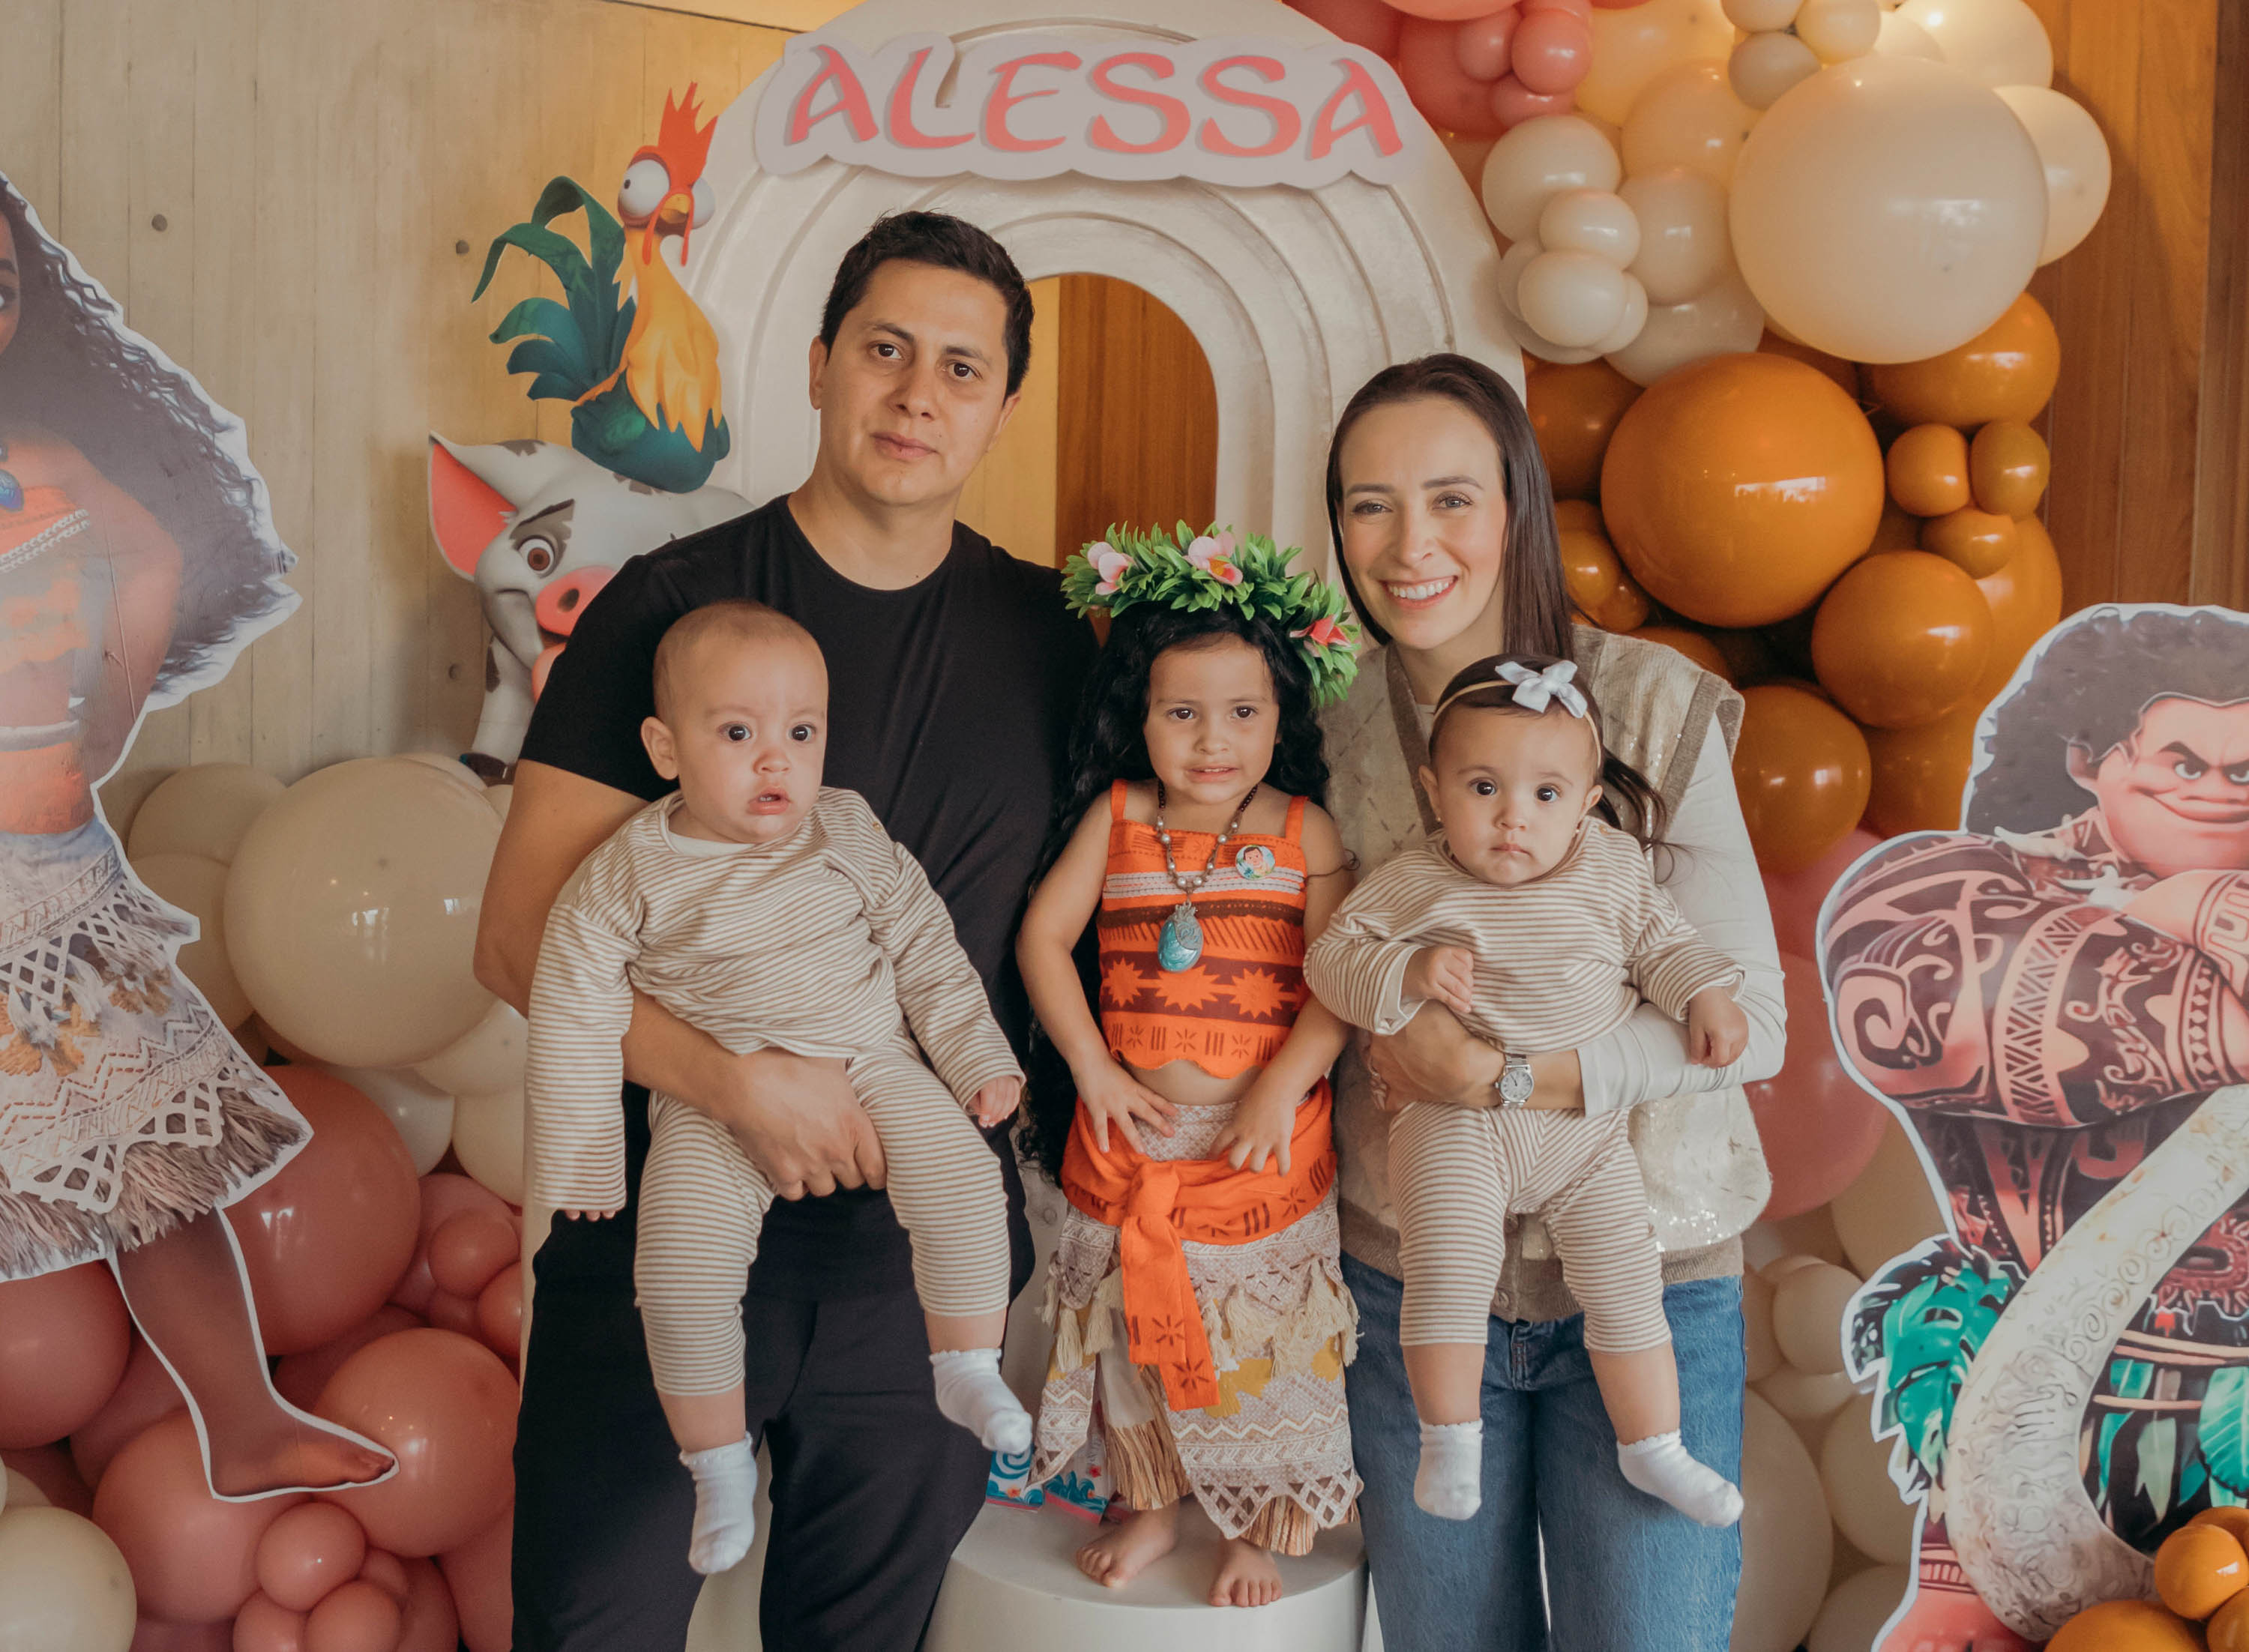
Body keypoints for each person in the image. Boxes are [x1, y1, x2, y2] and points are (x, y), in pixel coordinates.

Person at [475, 211, 1097, 1652]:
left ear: (1002, 406)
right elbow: (516, 939)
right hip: (667, 1222)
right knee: (591, 1626)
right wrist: (731, 1079)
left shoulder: (1053, 638)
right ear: (819, 367)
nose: (918, 394)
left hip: (916, 1265)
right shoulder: (672, 608)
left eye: (961, 368)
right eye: (886, 350)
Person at [1316, 354, 1786, 1651]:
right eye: (1369, 504)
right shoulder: (1324, 720)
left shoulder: (1648, 700)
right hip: (1407, 1271)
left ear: (1517, 506)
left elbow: (1750, 1018)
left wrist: (1511, 1078)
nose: (1409, 544)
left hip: (1648, 1267)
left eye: (1451, 498)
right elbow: (1307, 958)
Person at [0, 175, 394, 1500]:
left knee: (149, 1167)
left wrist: (105, 717)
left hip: (45, 875)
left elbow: (154, 557)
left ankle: (243, 1418)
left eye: (0, 286)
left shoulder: (44, 457)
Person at [523, 601, 1030, 1579]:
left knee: (968, 1184)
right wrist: (585, 1157)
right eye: (737, 733)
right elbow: (573, 997)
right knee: (679, 1268)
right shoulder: (629, 870)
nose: (775, 761)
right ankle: (712, 1460)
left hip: (873, 1055)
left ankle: (966, 1365)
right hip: (713, 1102)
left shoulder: (844, 827)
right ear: (665, 749)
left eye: (802, 733)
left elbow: (923, 942)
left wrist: (976, 1058)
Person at [1821, 606, 2249, 1651]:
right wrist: (2175, 910)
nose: (2219, 792)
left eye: (2245, 771)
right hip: (2022, 1445)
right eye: (2184, 762)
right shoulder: (1941, 883)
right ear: (2088, 758)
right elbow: (1937, 1006)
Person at [1305, 652, 1747, 1529]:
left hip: (1583, 1133)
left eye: (1547, 794)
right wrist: (1408, 969)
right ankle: (1449, 1437)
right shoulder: (1415, 881)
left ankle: (1654, 1444)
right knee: (1450, 1267)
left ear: (1587, 803)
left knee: (1626, 1281)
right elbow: (1332, 960)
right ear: (1434, 793)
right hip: (1456, 1125)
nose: (1514, 817)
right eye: (1483, 788)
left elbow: (1665, 944)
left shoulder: (1611, 870)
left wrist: (1705, 993)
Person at [1015, 522, 1364, 1609]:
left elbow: (1339, 984)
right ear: (1140, 713)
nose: (1214, 741)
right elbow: (1042, 939)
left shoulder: (1305, 832)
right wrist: (1094, 1068)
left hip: (1260, 1142)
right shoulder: (1118, 818)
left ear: (1281, 715)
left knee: (1256, 1341)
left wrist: (1279, 1088)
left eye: (1243, 713)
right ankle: (1153, 1502)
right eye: (1182, 713)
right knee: (1132, 1335)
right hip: (1133, 1135)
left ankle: (1252, 1524)